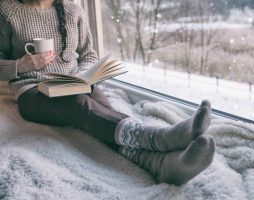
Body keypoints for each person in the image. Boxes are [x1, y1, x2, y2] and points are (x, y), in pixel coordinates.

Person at [0, 0, 215, 186]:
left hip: (75, 83)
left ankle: (162, 165)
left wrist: (83, 77)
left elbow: (88, 54)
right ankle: (158, 136)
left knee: (105, 113)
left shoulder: (72, 10)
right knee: (81, 105)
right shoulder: (7, 11)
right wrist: (21, 64)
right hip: (33, 93)